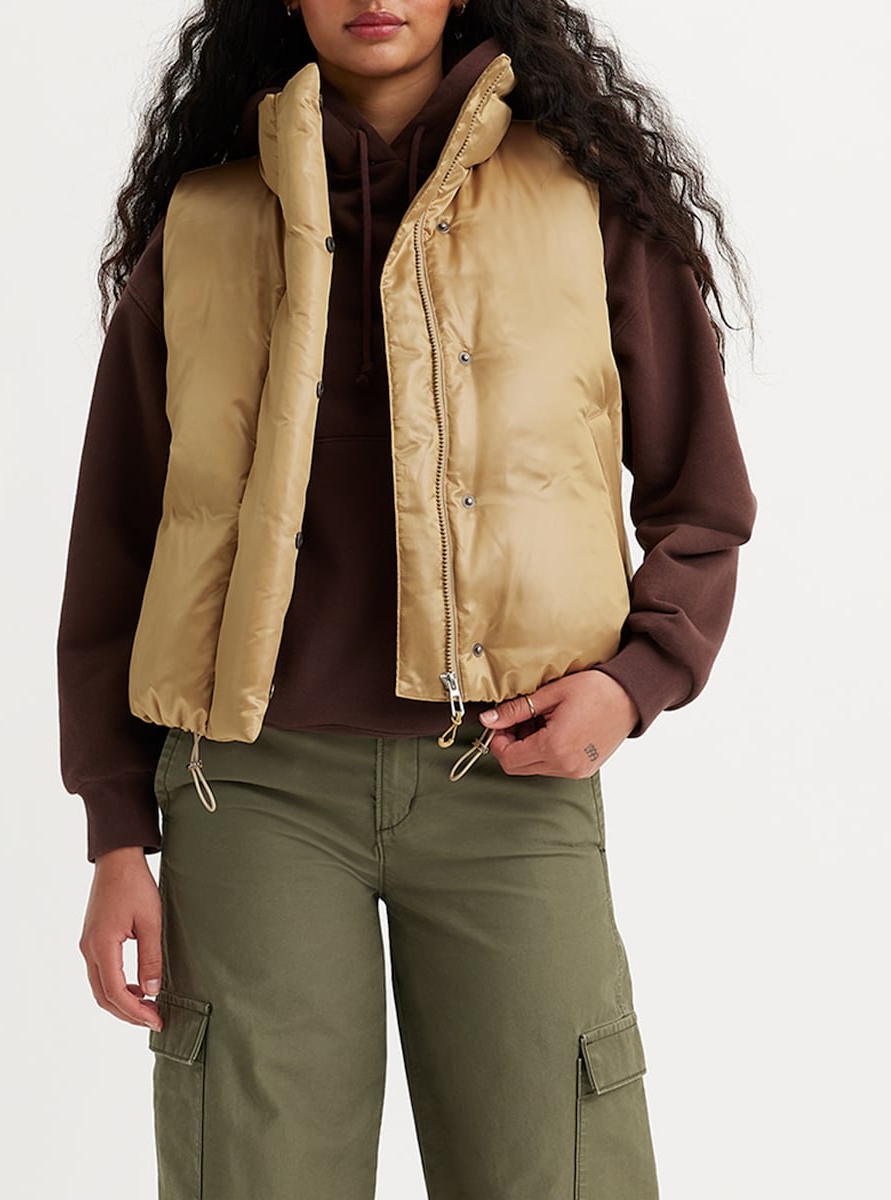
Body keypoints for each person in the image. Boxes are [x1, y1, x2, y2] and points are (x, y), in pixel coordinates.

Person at [58, 2, 757, 1196]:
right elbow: (116, 544)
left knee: (560, 1171)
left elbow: (702, 500)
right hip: (252, 790)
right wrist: (117, 833)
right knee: (256, 1176)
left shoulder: (583, 200)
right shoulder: (206, 223)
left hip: (511, 777)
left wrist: (631, 685)